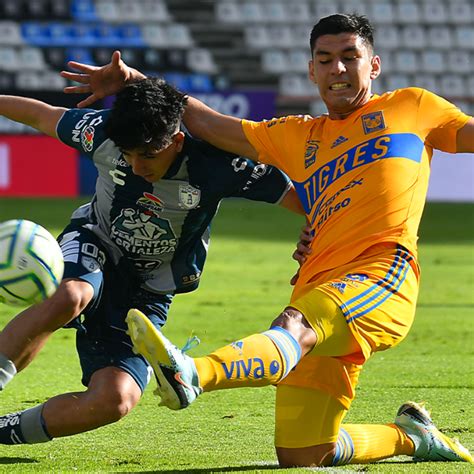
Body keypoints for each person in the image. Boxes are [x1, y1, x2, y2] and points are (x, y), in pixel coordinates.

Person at [61, 14, 474, 467]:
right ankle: (412, 437)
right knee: (303, 453)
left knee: (292, 325)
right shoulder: (299, 135)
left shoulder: (412, 107)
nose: (338, 69)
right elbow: (212, 124)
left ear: (372, 66)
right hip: (317, 283)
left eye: (350, 58)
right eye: (326, 59)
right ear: (311, 70)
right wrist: (134, 81)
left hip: (380, 274)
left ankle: (191, 373)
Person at [0, 78, 303, 445]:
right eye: (127, 155)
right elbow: (42, 115)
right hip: (96, 241)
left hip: (150, 288)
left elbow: (297, 196)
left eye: (148, 155)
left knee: (116, 400)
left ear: (176, 141)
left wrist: (316, 230)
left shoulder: (219, 164)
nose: (136, 164)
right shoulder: (103, 133)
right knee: (71, 295)